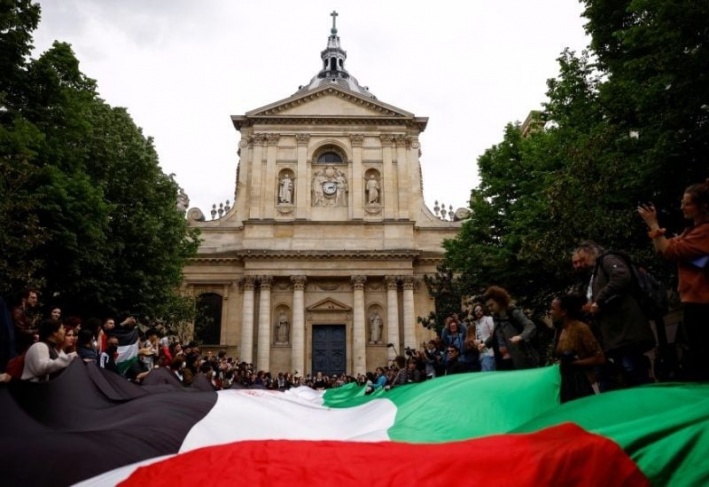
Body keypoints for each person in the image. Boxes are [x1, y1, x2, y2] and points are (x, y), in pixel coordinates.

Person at [638, 179, 709, 381]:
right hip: (695, 303)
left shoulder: (704, 232)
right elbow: (662, 250)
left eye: (687, 203)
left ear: (702, 206)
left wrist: (653, 224)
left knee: (702, 359)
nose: (682, 207)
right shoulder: (691, 232)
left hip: (704, 304)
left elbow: (670, 250)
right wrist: (655, 230)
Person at [573, 241, 655, 387]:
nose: (580, 265)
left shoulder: (607, 260)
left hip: (626, 330)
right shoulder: (594, 273)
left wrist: (599, 302)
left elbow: (622, 276)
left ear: (591, 253)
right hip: (616, 334)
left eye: (582, 259)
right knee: (627, 371)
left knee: (633, 368)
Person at [551, 294, 605, 402]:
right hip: (567, 384)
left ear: (564, 312)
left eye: (553, 309)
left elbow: (600, 358)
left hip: (584, 383)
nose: (550, 312)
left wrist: (575, 363)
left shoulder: (581, 328)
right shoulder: (560, 330)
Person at [483, 286, 539, 370]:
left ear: (499, 301)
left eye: (491, 305)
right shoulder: (496, 317)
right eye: (488, 306)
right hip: (503, 359)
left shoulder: (513, 313)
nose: (490, 308)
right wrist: (484, 344)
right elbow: (497, 334)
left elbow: (530, 326)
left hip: (517, 358)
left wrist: (520, 337)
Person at [467, 304, 496, 372]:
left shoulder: (488, 319)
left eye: (480, 310)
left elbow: (494, 335)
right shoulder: (477, 323)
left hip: (490, 353)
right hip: (481, 354)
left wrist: (481, 342)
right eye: (476, 311)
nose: (478, 312)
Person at [12, 289, 39, 354]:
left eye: (36, 298)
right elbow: (20, 331)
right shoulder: (18, 311)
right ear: (24, 299)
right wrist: (40, 330)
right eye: (32, 298)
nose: (35, 300)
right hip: (17, 349)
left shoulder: (24, 311)